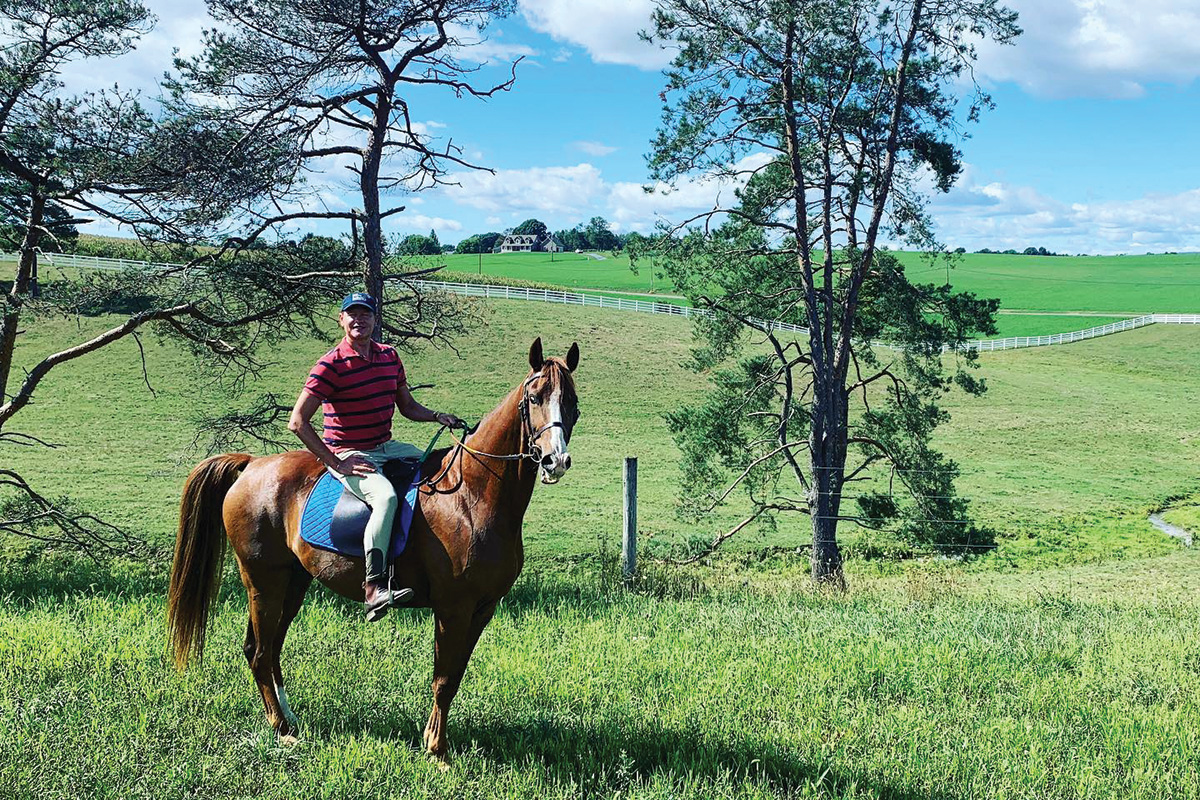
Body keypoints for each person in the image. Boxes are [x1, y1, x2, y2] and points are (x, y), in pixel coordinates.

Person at [288, 292, 462, 621]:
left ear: (374, 319)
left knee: (440, 466)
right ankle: (374, 587)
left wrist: (438, 416)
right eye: (351, 314)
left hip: (385, 445)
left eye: (365, 314)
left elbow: (407, 408)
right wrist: (336, 462)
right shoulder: (330, 365)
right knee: (384, 498)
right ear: (341, 320)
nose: (359, 320)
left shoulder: (389, 357)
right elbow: (297, 421)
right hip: (349, 452)